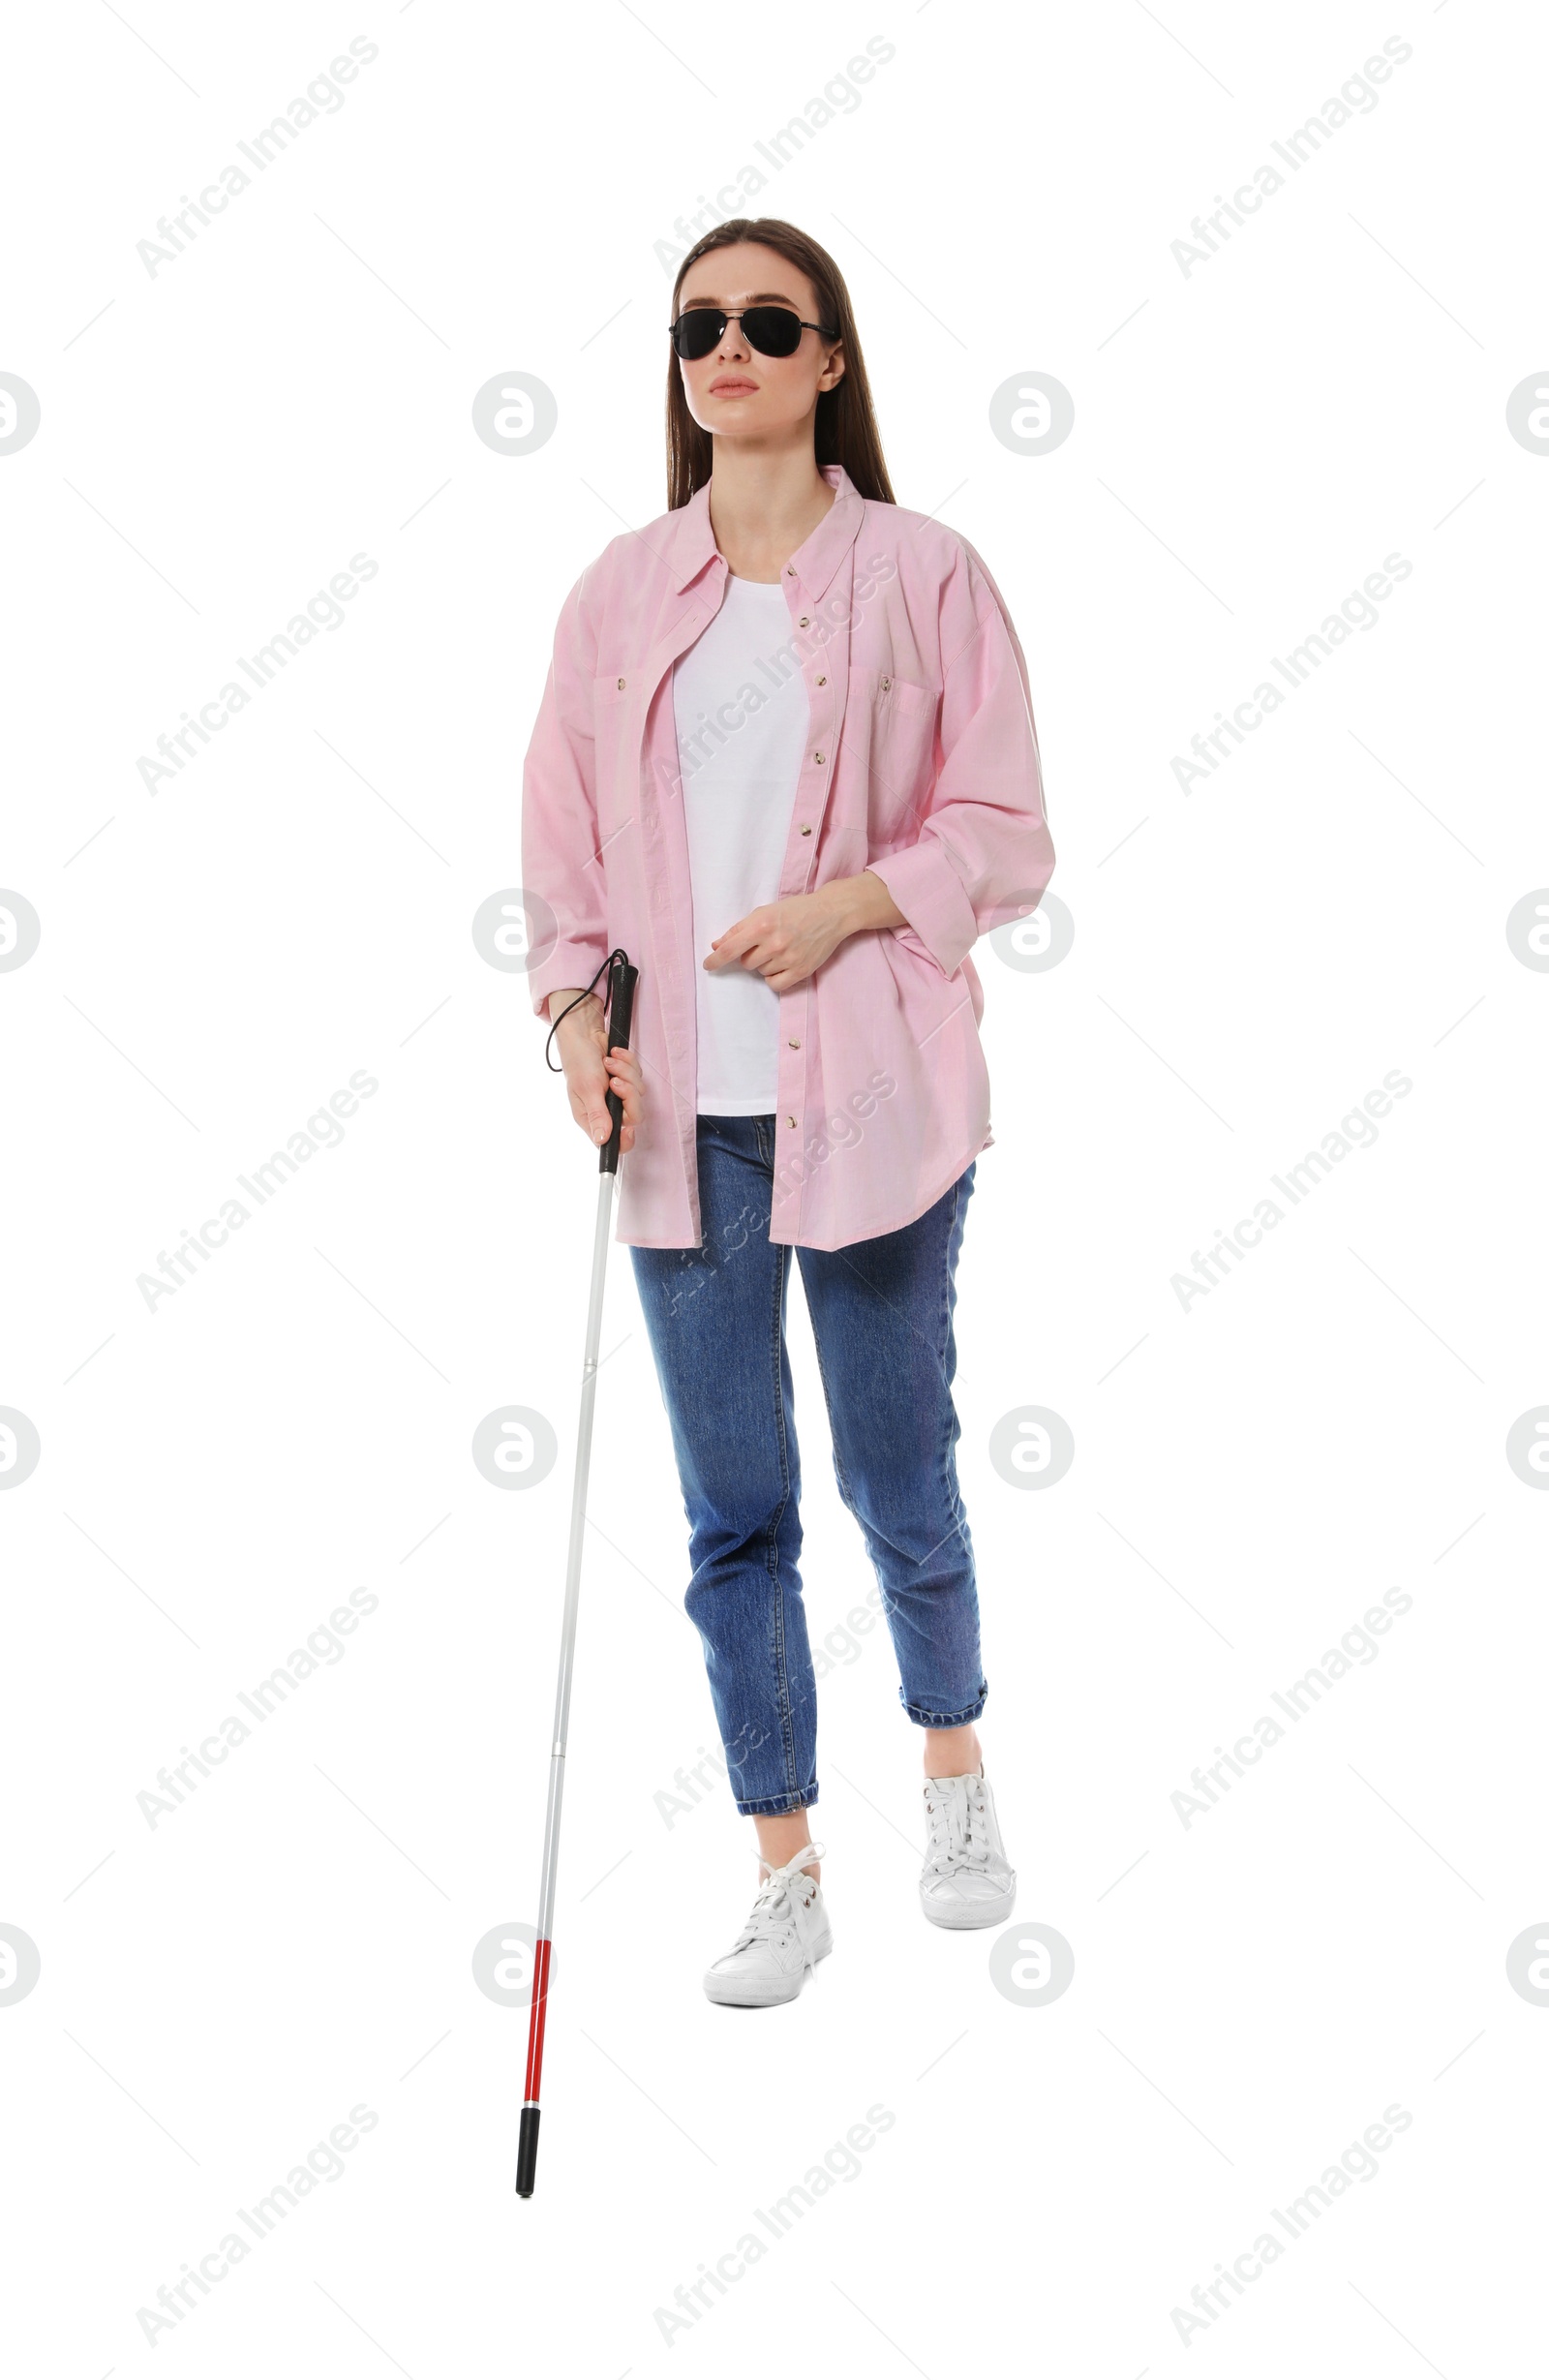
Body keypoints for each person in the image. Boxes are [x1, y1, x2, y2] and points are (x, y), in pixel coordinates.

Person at [521, 216, 1054, 2008]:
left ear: (830, 358)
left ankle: (957, 1777)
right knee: (734, 1507)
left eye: (768, 321)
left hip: (880, 1099)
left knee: (900, 1471)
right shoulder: (616, 597)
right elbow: (565, 866)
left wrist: (847, 907)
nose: (727, 348)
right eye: (698, 326)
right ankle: (784, 1862)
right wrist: (571, 1030)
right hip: (685, 1123)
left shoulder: (926, 573)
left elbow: (1005, 829)